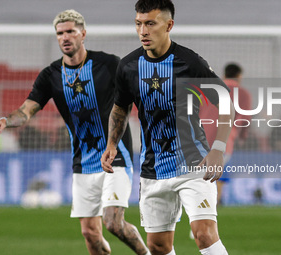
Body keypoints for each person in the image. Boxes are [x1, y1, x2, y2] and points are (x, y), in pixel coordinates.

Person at [0, 9, 149, 255]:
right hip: (82, 162)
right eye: (60, 33)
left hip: (116, 156)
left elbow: (133, 96)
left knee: (113, 223)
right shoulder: (50, 75)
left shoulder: (109, 64)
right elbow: (27, 110)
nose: (65, 37)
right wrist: (5, 121)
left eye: (70, 32)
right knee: (90, 234)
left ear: (82, 34)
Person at [101, 1, 234, 254]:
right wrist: (111, 144)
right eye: (139, 24)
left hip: (194, 163)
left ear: (169, 25)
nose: (143, 31)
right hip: (153, 167)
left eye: (150, 23)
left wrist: (218, 148)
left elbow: (225, 102)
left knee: (204, 234)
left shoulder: (190, 63)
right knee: (158, 246)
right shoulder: (128, 67)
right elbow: (120, 108)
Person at [199, 63, 252, 205]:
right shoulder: (243, 93)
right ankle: (211, 207)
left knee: (201, 177)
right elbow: (244, 120)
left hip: (201, 138)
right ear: (239, 76)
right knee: (217, 176)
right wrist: (242, 137)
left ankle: (202, 208)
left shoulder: (210, 90)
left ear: (224, 74)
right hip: (224, 140)